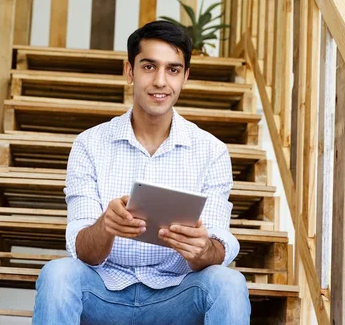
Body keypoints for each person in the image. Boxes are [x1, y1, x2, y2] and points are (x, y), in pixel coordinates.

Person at [33, 20, 251, 324]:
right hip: (102, 294)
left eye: (173, 70)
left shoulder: (211, 152)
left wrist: (202, 248)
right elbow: (83, 251)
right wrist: (106, 227)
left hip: (176, 298)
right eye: (149, 67)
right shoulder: (89, 145)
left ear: (185, 77)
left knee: (228, 282)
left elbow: (215, 249)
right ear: (129, 71)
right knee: (57, 274)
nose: (161, 81)